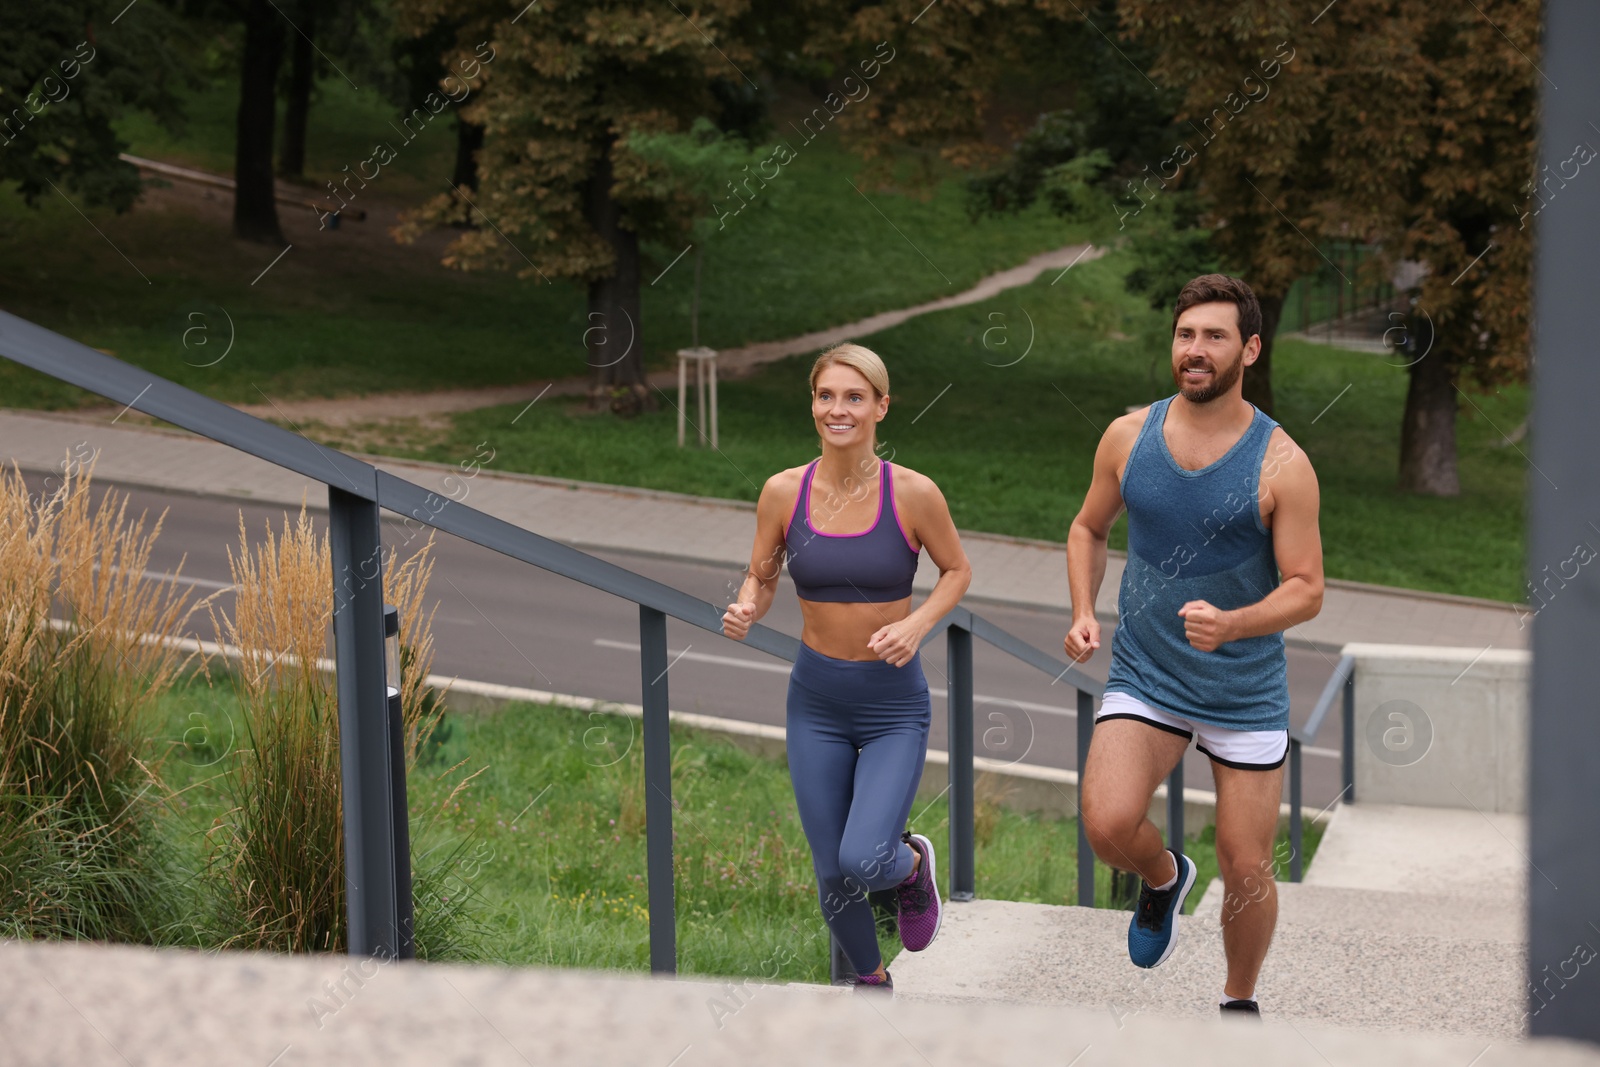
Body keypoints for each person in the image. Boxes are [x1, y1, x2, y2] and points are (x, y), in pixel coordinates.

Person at [1063, 274, 1324, 1018]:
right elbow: (1088, 527)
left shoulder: (1282, 465)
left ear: (1249, 348)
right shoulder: (1127, 436)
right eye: (1185, 335)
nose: (1195, 351)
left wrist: (1236, 623)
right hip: (1146, 673)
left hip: (1243, 688)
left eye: (1214, 337)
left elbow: (1307, 587)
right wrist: (1084, 608)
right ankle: (1162, 876)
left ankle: (1237, 1001)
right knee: (1108, 822)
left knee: (1246, 866)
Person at [722, 342, 972, 994]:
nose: (839, 409)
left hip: (892, 703)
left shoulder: (913, 494)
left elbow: (957, 570)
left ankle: (911, 864)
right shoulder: (783, 492)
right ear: (813, 403)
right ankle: (872, 982)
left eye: (854, 396)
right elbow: (764, 571)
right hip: (817, 699)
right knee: (831, 866)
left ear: (881, 406)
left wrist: (918, 624)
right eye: (827, 395)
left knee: (864, 856)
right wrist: (749, 602)